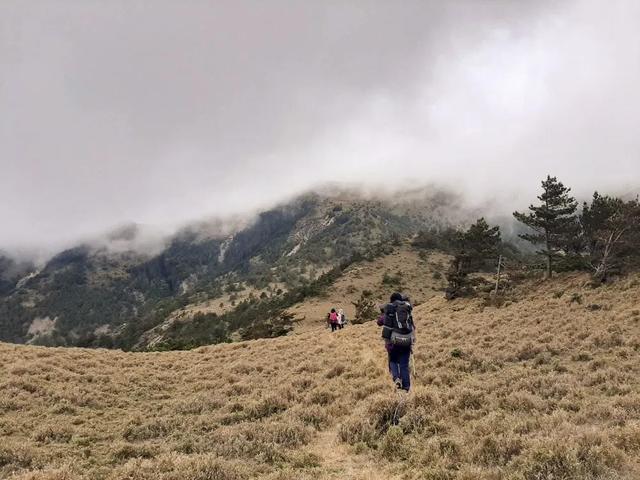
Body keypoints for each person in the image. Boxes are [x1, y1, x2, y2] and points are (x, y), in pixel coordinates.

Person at [377, 292, 415, 392]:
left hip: (394, 341)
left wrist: (382, 315)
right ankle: (406, 388)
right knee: (404, 365)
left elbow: (379, 322)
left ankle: (396, 378)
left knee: (393, 361)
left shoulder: (390, 309)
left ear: (391, 300)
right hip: (407, 340)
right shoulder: (406, 309)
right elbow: (411, 325)